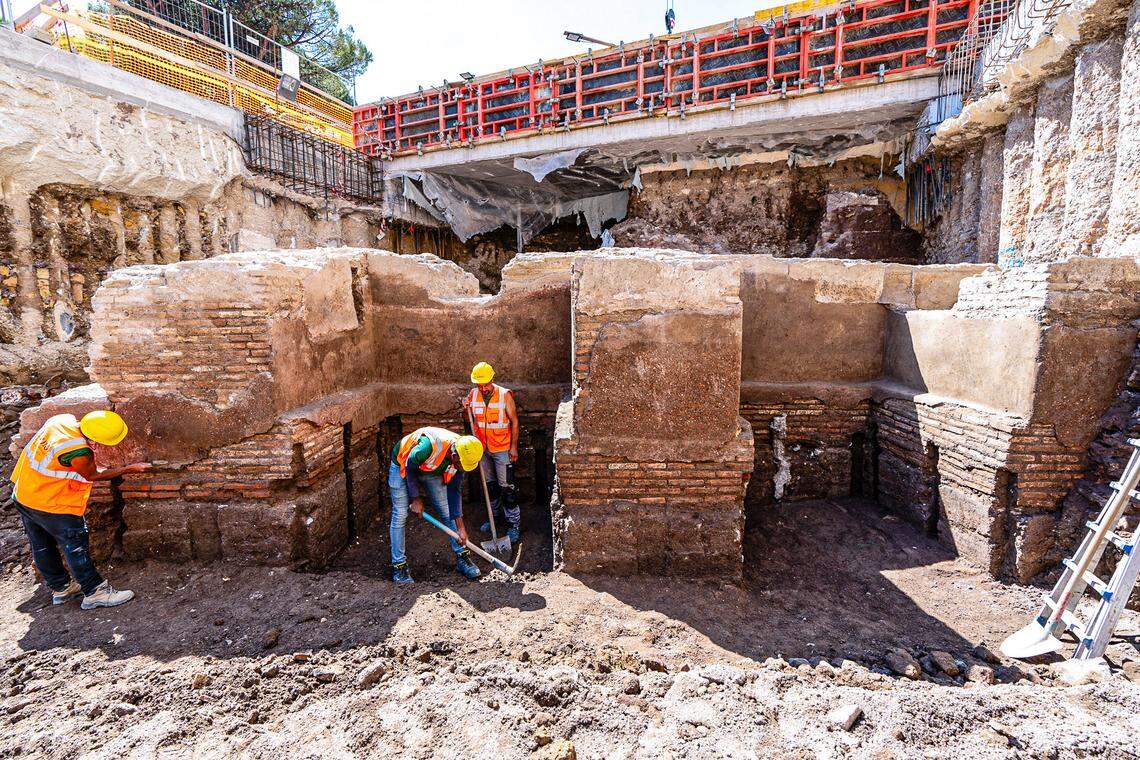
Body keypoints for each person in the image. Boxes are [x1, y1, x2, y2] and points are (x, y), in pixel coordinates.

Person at [10, 410, 151, 609]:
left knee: (41, 544)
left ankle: (61, 587)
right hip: (52, 503)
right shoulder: (78, 452)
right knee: (75, 544)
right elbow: (91, 474)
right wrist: (129, 468)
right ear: (95, 439)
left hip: (25, 493)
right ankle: (95, 592)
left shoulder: (61, 421)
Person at [388, 426, 484, 584]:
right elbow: (410, 466)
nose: (461, 469)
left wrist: (461, 528)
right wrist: (415, 498)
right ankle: (399, 567)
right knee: (400, 514)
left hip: (430, 468)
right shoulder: (428, 446)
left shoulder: (463, 456)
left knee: (447, 511)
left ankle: (462, 557)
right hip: (402, 463)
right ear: (454, 455)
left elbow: (454, 491)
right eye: (460, 465)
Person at [463, 362, 520, 544]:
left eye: (486, 384)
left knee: (507, 487)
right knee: (490, 487)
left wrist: (513, 447)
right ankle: (493, 519)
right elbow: (469, 419)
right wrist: (466, 409)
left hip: (502, 448)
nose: (483, 388)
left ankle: (513, 524)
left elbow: (515, 422)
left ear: (492, 380)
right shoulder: (473, 395)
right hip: (483, 449)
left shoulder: (504, 395)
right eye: (479, 385)